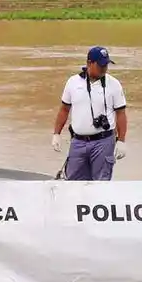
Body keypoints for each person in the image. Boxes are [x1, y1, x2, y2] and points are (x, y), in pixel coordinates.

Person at [53, 47, 129, 181]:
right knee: (74, 183)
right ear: (89, 63)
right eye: (100, 65)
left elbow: (121, 113)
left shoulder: (114, 84)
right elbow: (64, 109)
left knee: (101, 183)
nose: (104, 68)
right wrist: (56, 134)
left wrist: (121, 140)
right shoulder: (73, 83)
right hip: (78, 142)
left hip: (103, 142)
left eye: (106, 65)